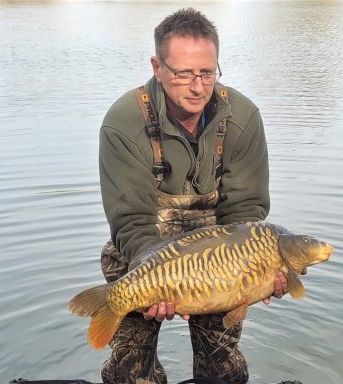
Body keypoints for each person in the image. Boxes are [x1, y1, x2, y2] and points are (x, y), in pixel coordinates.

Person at [98, 8, 289, 384]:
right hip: (143, 252)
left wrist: (257, 274)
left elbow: (246, 214)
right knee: (128, 374)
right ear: (157, 66)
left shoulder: (243, 117)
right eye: (183, 73)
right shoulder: (123, 122)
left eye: (207, 72)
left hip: (222, 258)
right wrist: (161, 278)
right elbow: (131, 222)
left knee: (223, 370)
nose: (198, 87)